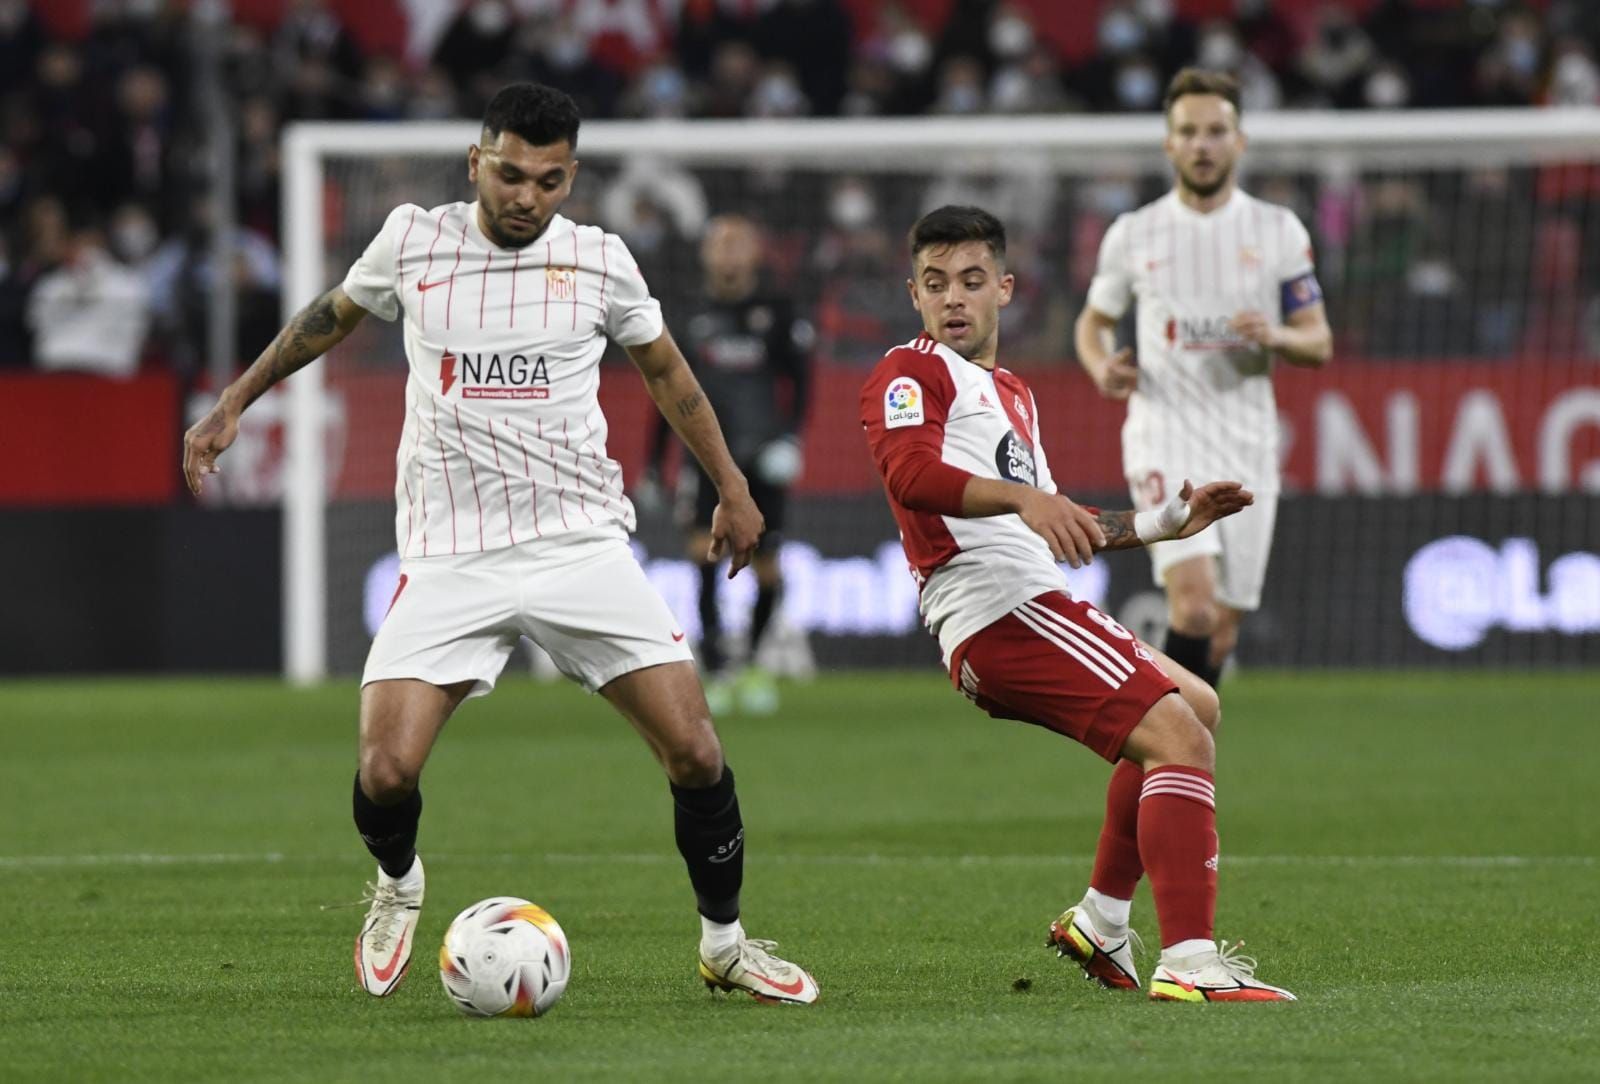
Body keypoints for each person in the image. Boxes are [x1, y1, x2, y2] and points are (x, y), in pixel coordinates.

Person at [182, 83, 817, 1006]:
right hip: (451, 554)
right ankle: (399, 885)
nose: (526, 196)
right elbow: (330, 315)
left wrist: (732, 486)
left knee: (698, 754)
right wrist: (235, 400)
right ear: (477, 162)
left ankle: (724, 943)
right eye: (511, 173)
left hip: (581, 546)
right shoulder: (413, 240)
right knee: (385, 769)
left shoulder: (601, 262)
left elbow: (668, 371)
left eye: (548, 180)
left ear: (571, 179)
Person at [861, 204, 1294, 1002]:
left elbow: (1066, 520)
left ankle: (1100, 919)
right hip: (996, 610)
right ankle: (1191, 963)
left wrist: (1173, 521)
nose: (952, 298)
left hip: (1033, 597)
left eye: (970, 281)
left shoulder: (1012, 394)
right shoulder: (908, 371)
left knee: (1196, 709)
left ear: (1005, 289)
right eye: (934, 284)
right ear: (914, 295)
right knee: (1177, 738)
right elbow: (909, 477)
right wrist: (1024, 499)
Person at [1074, 68, 1332, 688]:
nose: (1202, 144)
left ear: (1239, 141)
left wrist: (1276, 336)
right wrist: (1101, 365)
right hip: (1163, 433)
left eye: (1216, 131)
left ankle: (1175, 770)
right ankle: (1166, 753)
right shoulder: (1134, 232)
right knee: (1191, 605)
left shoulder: (1278, 230)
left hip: (1247, 442)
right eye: (1188, 132)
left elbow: (1318, 340)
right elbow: (1092, 324)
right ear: (1169, 143)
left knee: (1220, 626)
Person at [641, 214, 814, 715]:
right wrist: (654, 464)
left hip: (763, 455)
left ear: (757, 254)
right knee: (703, 557)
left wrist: (790, 440)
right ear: (705, 254)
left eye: (739, 243)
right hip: (706, 459)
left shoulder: (778, 313)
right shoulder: (689, 315)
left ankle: (755, 664)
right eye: (720, 243)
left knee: (768, 568)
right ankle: (716, 667)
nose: (728, 252)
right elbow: (664, 391)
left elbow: (802, 385)